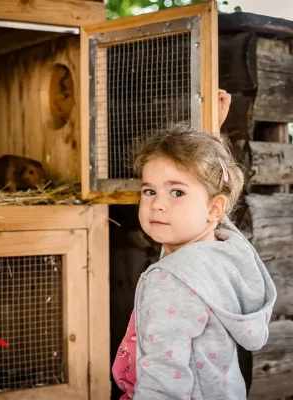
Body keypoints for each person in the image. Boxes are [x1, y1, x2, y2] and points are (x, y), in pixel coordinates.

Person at [112, 90, 277, 399]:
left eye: (176, 193)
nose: (158, 205)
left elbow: (162, 380)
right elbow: (214, 193)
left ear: (214, 208)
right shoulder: (226, 250)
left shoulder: (168, 280)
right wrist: (210, 135)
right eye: (149, 191)